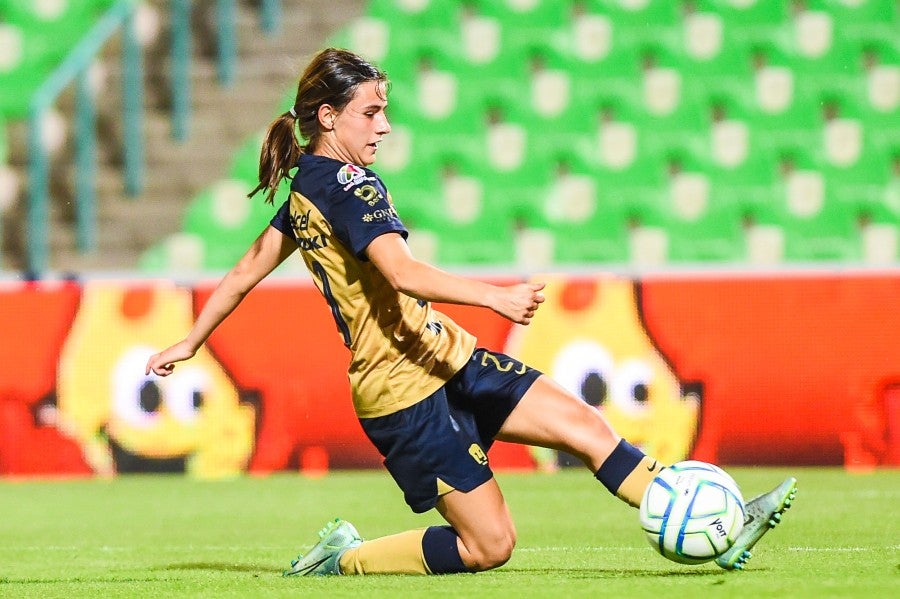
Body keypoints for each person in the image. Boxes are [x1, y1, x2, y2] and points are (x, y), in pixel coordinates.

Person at [145, 48, 796, 575]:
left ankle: (725, 524)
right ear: (327, 116)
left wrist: (191, 338)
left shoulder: (307, 188)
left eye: (385, 111)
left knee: (584, 426)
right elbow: (398, 270)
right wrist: (496, 296)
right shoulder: (346, 186)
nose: (384, 126)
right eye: (370, 113)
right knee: (490, 545)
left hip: (443, 351)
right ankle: (344, 558)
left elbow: (243, 270)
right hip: (402, 389)